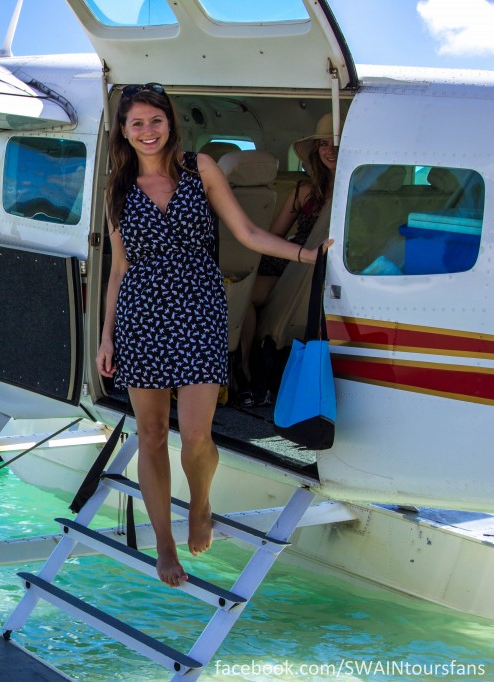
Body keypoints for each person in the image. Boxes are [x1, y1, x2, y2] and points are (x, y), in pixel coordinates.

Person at [95, 84, 331, 587]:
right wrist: (106, 336)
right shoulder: (117, 186)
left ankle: (199, 503)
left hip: (200, 308)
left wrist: (306, 256)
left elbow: (246, 232)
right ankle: (163, 544)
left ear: (169, 122)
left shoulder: (198, 168)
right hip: (141, 315)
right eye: (136, 123)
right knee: (153, 435)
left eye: (155, 120)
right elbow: (119, 269)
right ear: (123, 130)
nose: (147, 131)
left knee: (198, 436)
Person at [238, 114, 339, 406]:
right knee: (239, 293)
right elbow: (274, 236)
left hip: (313, 270)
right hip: (287, 262)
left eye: (336, 143)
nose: (329, 150)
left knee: (243, 296)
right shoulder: (304, 191)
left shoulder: (354, 195)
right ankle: (247, 369)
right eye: (323, 144)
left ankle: (251, 374)